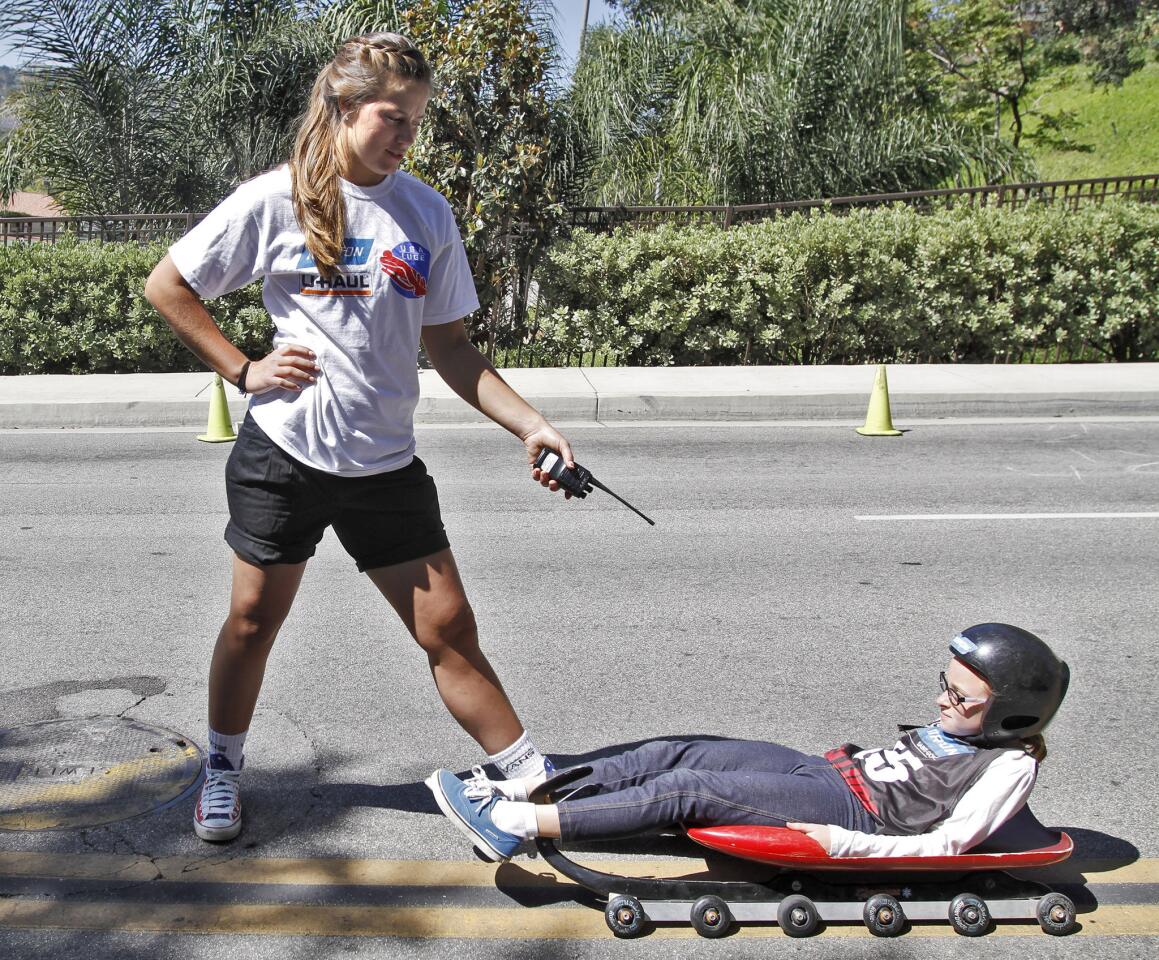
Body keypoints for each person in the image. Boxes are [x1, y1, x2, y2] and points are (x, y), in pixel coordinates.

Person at [144, 33, 575, 843]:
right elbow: (168, 286)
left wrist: (532, 423)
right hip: (285, 454)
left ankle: (531, 778)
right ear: (343, 109)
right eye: (392, 116)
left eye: (416, 119)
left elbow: (449, 348)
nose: (408, 134)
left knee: (448, 628)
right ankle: (224, 768)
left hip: (382, 463)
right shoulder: (275, 199)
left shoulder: (423, 211)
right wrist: (243, 371)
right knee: (249, 622)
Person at [427, 623, 1070, 862]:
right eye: (944, 685)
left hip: (855, 813)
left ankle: (516, 824)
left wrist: (843, 846)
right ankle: (522, 785)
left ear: (1008, 718)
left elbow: (948, 843)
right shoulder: (974, 729)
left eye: (961, 699)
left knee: (689, 790)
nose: (941, 702)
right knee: (678, 750)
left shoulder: (1008, 764)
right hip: (827, 773)